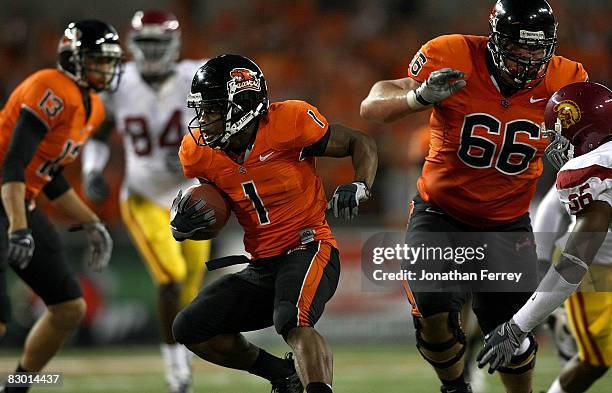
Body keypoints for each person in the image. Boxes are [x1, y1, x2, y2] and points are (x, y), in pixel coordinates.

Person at [360, 0, 588, 392]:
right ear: (496, 39)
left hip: (507, 223)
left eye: (537, 48)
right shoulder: (453, 54)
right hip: (440, 213)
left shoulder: (567, 77)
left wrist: (575, 148)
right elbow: (372, 105)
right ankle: (455, 387)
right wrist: (419, 98)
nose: (528, 59)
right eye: (518, 47)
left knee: (512, 333)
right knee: (433, 319)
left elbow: (596, 139)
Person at [170, 54, 377, 393]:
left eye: (213, 109)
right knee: (189, 327)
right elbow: (208, 201)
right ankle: (283, 375)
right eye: (202, 109)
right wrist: (185, 222)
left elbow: (360, 142)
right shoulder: (196, 152)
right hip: (261, 264)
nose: (203, 120)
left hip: (309, 245)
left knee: (293, 320)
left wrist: (360, 184)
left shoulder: (289, 121)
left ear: (243, 103)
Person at [80, 10, 209, 393]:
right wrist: (91, 172)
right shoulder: (118, 84)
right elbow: (99, 134)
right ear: (133, 46)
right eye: (145, 44)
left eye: (158, 43)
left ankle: (182, 355)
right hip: (143, 196)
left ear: (174, 45)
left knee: (190, 290)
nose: (152, 52)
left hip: (193, 195)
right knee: (169, 280)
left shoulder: (196, 76)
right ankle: (176, 371)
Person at [0, 20, 120, 392]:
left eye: (109, 60)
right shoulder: (50, 88)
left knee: (69, 307)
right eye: (98, 60)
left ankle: (16, 387)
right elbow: (13, 163)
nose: (106, 68)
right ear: (74, 58)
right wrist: (19, 228)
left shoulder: (93, 108)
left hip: (18, 198)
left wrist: (92, 222)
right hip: (8, 195)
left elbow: (47, 175)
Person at [477, 81, 612, 393]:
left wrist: (516, 325)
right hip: (600, 267)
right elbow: (576, 256)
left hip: (592, 266)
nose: (556, 144)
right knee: (595, 359)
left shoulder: (591, 168)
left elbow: (574, 262)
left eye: (558, 135)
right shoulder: (593, 170)